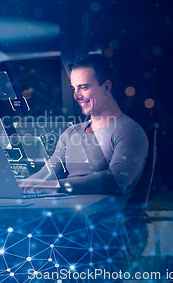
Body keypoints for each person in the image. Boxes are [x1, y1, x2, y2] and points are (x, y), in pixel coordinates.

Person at [19, 54, 148, 208]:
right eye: (74, 89)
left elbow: (117, 180)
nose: (77, 96)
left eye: (84, 87)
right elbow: (49, 173)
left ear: (106, 87)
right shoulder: (71, 133)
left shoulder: (129, 131)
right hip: (66, 220)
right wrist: (20, 186)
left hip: (99, 226)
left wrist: (56, 185)